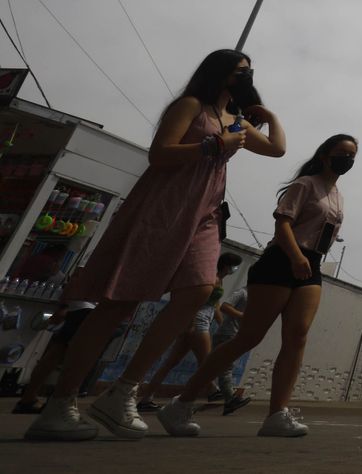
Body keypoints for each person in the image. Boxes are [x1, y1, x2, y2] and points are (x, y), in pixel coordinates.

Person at [24, 50, 286, 442]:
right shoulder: (190, 106)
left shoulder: (236, 120)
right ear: (219, 73)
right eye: (240, 72)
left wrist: (270, 116)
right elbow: (160, 154)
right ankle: (59, 404)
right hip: (164, 207)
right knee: (118, 304)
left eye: (249, 73)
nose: (246, 78)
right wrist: (214, 145)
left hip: (205, 214)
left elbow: (277, 149)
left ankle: (124, 389)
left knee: (200, 289)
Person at [159, 133, 358, 438]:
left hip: (312, 264)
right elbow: (283, 223)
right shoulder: (305, 184)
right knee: (249, 336)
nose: (348, 160)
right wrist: (295, 256)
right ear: (325, 154)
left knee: (297, 336)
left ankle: (277, 414)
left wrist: (306, 260)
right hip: (282, 259)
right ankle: (181, 403)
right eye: (342, 153)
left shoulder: (338, 196)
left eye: (352, 156)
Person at [138, 252, 243, 410]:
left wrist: (220, 322)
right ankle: (211, 392)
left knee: (171, 362)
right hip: (198, 322)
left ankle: (146, 399)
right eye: (235, 266)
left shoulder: (218, 280)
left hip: (198, 322)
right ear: (228, 266)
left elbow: (215, 304)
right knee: (207, 362)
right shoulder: (213, 279)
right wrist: (191, 323)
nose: (235, 269)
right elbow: (198, 301)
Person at [12, 300, 96, 415]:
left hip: (84, 309)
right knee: (63, 357)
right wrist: (64, 307)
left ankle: (30, 399)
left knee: (57, 355)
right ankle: (53, 401)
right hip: (86, 310)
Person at [209, 286, 252, 413]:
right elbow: (224, 307)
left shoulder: (254, 296)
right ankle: (230, 399)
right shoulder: (242, 292)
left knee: (220, 366)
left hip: (234, 333)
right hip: (227, 333)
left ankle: (217, 393)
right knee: (226, 367)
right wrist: (242, 316)